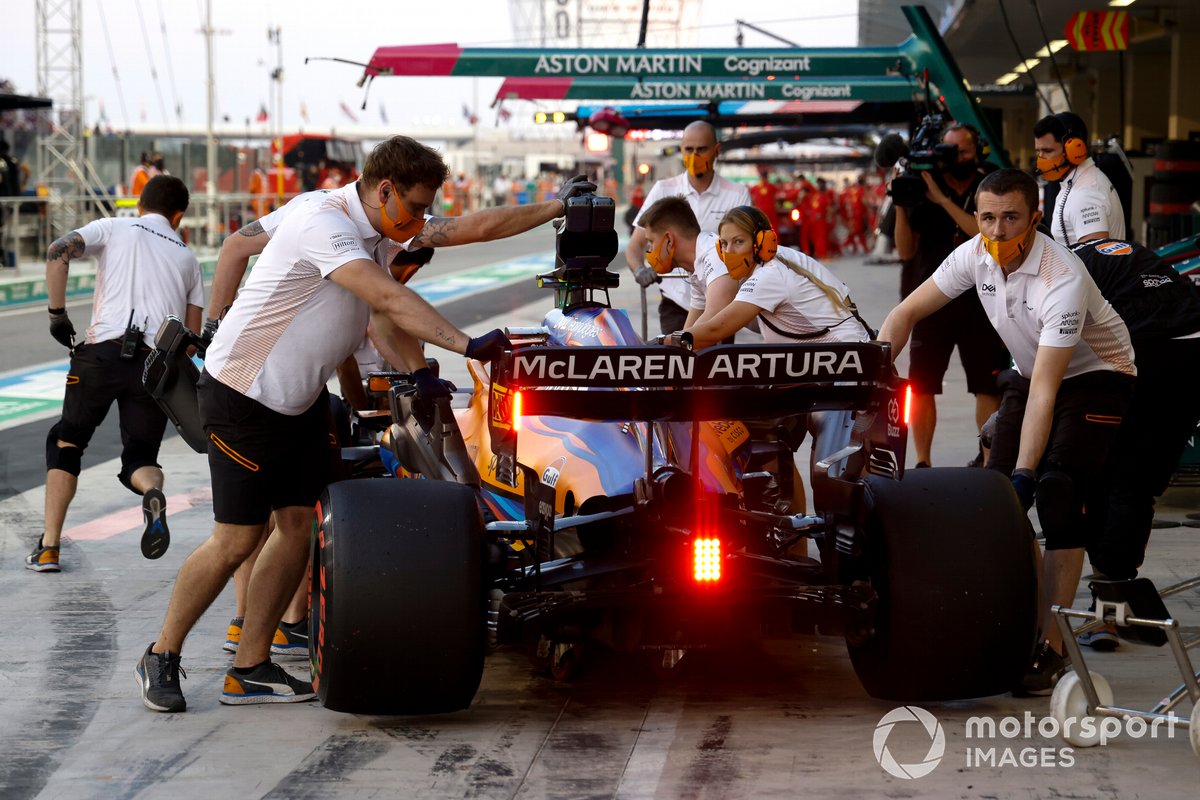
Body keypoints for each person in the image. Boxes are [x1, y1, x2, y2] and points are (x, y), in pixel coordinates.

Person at [136, 134, 594, 713]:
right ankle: (161, 654)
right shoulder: (323, 222)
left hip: (299, 402)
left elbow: (466, 231)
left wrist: (559, 206)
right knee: (237, 539)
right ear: (384, 190)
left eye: (427, 208)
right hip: (243, 396)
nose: (423, 220)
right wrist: (468, 345)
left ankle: (249, 668)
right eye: (417, 207)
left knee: (299, 527)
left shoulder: (380, 226)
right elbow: (386, 298)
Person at [878, 168, 1136, 696]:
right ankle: (1001, 625)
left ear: (1035, 218)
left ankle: (1053, 649)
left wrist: (1024, 471)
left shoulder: (1059, 275)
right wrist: (877, 374)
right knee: (989, 505)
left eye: (1011, 217)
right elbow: (906, 312)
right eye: (987, 217)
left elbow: (1048, 390)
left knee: (1056, 491)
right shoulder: (974, 253)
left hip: (1097, 375)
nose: (997, 231)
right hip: (1029, 371)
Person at [25, 176, 203, 573]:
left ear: (140, 204)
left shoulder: (115, 227)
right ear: (178, 215)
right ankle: (151, 491)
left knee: (67, 440)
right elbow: (190, 341)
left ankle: (49, 547)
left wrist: (57, 315)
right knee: (141, 457)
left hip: (102, 355)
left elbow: (58, 251)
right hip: (154, 367)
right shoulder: (188, 259)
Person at [687, 205, 873, 500]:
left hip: (848, 372)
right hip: (826, 369)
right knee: (776, 454)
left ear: (762, 241)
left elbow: (715, 330)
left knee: (833, 479)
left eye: (739, 242)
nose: (730, 250)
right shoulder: (778, 260)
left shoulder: (769, 275)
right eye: (724, 244)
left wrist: (667, 343)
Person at [1067, 238, 1200, 649]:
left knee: (1099, 477)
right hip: (1192, 349)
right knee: (1137, 484)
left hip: (1145, 351)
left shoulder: (1062, 266)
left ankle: (1108, 607)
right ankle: (1116, 598)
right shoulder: (1135, 254)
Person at [893, 123, 1008, 468]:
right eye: (949, 150)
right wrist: (900, 202)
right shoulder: (921, 186)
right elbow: (904, 250)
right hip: (932, 302)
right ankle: (923, 460)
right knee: (922, 385)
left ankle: (988, 463)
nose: (957, 157)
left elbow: (987, 236)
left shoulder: (990, 185)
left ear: (978, 151)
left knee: (986, 387)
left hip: (982, 301)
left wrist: (942, 200)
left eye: (964, 150)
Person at [626, 121, 751, 335]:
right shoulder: (663, 189)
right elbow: (634, 246)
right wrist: (639, 270)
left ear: (716, 150)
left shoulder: (736, 194)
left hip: (723, 295)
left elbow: (747, 251)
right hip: (676, 298)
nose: (694, 156)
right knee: (681, 358)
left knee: (713, 360)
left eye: (701, 149)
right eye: (689, 149)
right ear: (681, 150)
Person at [637, 196, 737, 332]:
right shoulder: (696, 264)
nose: (649, 250)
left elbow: (710, 327)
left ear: (669, 240)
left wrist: (658, 345)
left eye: (651, 241)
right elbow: (692, 326)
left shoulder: (715, 256)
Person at [1034, 112, 1125, 247]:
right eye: (1038, 152)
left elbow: (1095, 258)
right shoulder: (1080, 181)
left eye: (1047, 151)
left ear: (1074, 149)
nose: (1041, 159)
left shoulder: (1086, 194)